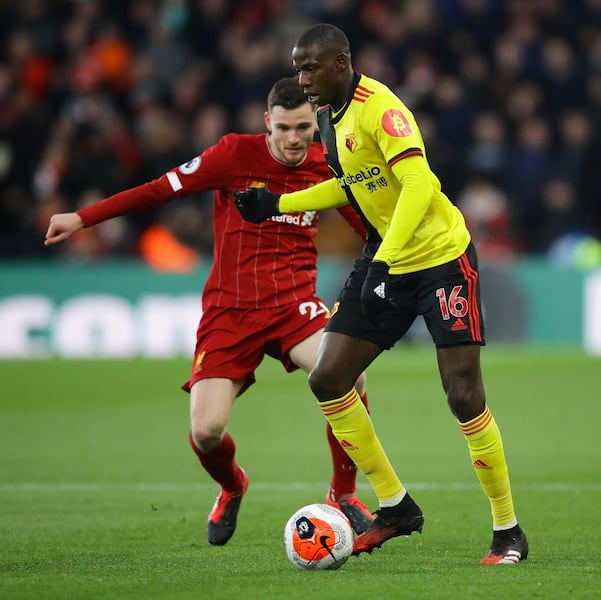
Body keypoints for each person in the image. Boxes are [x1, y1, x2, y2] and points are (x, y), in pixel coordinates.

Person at [234, 24, 528, 564]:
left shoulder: (383, 108)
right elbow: (352, 184)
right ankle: (396, 506)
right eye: (298, 69)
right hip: (386, 257)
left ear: (341, 63)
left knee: (463, 393)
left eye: (310, 68)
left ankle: (508, 529)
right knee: (327, 377)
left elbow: (417, 185)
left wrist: (387, 262)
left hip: (440, 258)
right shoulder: (332, 119)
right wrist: (277, 203)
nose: (302, 79)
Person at [44, 76, 375, 546]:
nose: (295, 138)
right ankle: (232, 485)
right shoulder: (234, 155)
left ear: (316, 123)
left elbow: (368, 224)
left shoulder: (328, 165)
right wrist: (83, 218)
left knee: (350, 377)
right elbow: (160, 190)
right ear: (268, 122)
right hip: (230, 310)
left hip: (294, 306)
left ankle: (343, 493)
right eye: (284, 127)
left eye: (304, 127)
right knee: (206, 431)